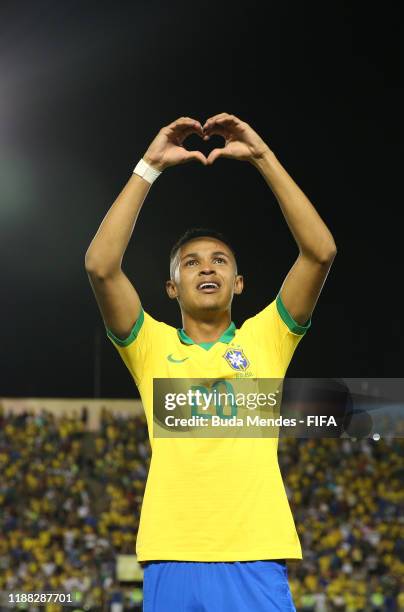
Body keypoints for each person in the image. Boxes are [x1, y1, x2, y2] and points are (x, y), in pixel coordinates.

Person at [85, 113, 337, 611]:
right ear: (171, 287)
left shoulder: (268, 337)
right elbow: (100, 266)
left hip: (256, 555)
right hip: (172, 556)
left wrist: (262, 156)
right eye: (192, 261)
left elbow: (320, 251)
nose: (207, 266)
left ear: (238, 283)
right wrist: (149, 167)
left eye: (220, 260)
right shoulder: (151, 346)